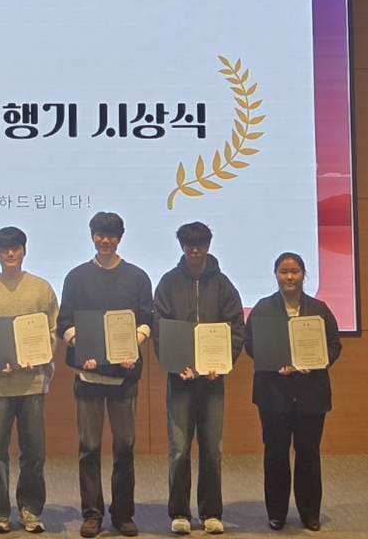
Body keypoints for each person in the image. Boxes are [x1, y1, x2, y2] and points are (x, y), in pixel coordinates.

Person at [57, 212, 153, 539]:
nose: (105, 240)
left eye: (111, 235)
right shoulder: (76, 277)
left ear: (120, 238)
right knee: (89, 447)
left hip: (125, 376)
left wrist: (134, 343)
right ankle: (92, 514)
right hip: (88, 377)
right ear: (92, 236)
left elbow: (146, 319)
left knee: (125, 447)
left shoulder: (137, 277)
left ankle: (123, 514)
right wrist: (80, 344)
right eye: (100, 234)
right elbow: (64, 323)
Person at [152, 222, 244, 536]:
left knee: (212, 449)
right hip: (180, 381)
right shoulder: (168, 283)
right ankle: (180, 512)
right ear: (182, 246)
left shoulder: (223, 284)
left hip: (213, 382)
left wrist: (223, 363)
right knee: (179, 449)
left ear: (208, 246)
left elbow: (236, 328)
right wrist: (176, 364)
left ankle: (211, 512)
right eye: (189, 244)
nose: (195, 250)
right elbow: (160, 329)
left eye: (200, 244)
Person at [244, 252, 342, 533]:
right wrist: (274, 362)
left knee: (308, 454)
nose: (289, 277)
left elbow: (334, 345)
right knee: (275, 453)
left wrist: (318, 362)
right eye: (284, 271)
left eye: (295, 271)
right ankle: (276, 513)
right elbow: (250, 344)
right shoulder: (263, 308)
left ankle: (310, 513)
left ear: (304, 275)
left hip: (311, 393)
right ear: (275, 274)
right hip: (273, 393)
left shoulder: (319, 309)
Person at [0, 227, 59, 535]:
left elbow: (51, 332)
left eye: (16, 248)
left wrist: (41, 355)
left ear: (24, 251)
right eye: (4, 249)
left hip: (32, 381)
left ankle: (31, 510)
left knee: (34, 451)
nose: (10, 253)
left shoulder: (41, 288)